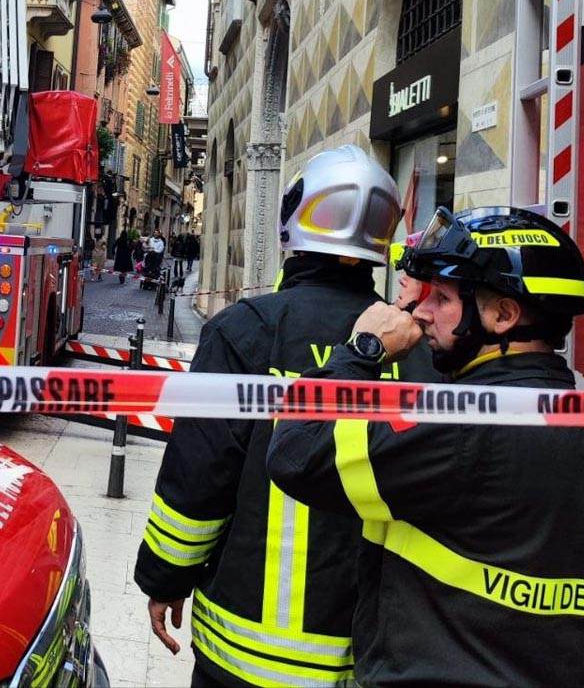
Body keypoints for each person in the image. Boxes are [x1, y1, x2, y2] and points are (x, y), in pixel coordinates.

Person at [267, 206, 584, 686]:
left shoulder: (458, 425)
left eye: (443, 297)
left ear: (503, 315)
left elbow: (296, 453)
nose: (421, 310)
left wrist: (362, 351)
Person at [134, 145, 438, 688]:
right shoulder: (414, 350)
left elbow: (198, 480)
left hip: (247, 654)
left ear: (294, 224)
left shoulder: (244, 331)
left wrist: (164, 577)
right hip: (376, 657)